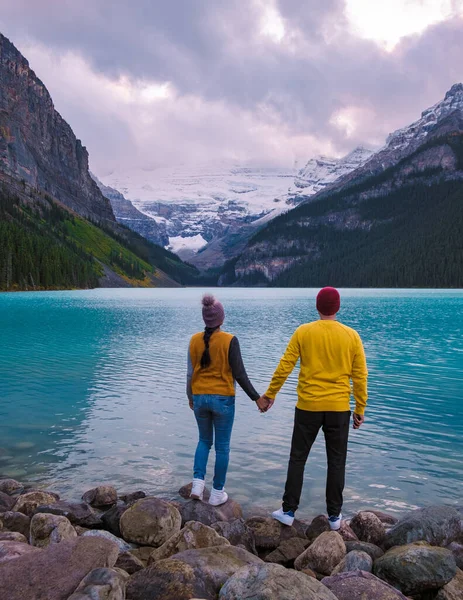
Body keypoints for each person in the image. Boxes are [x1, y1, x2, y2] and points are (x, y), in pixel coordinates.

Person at [259, 287, 368, 529]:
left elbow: (285, 365)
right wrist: (360, 408)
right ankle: (335, 517)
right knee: (337, 461)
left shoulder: (303, 332)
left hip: (308, 406)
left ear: (317, 307)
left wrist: (270, 394)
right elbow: (360, 376)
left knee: (298, 459)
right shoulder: (351, 336)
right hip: (339, 408)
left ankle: (288, 510)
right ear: (337, 308)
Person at [187, 294, 267, 506]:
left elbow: (189, 373)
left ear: (205, 319)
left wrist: (190, 396)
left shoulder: (194, 340)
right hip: (223, 400)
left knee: (204, 441)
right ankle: (216, 493)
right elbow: (239, 374)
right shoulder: (230, 340)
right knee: (222, 447)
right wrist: (257, 399)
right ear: (221, 319)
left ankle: (197, 485)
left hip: (200, 397)